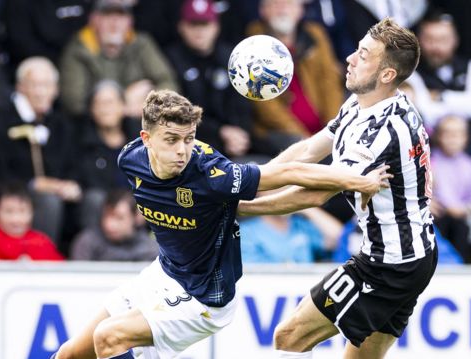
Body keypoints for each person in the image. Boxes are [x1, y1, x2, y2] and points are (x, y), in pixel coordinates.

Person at [51, 89, 389, 359]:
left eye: (189, 138)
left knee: (108, 336)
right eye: (172, 139)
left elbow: (286, 173)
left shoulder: (212, 174)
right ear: (146, 138)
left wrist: (356, 180)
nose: (183, 150)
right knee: (70, 353)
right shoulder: (129, 158)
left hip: (204, 299)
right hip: (162, 274)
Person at [239, 18, 438, 359]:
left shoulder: (382, 132)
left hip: (390, 264)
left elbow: (316, 192)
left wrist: (241, 207)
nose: (349, 58)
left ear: (387, 75)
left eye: (363, 54)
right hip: (408, 256)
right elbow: (308, 150)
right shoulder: (365, 103)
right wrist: (251, 182)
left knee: (288, 338)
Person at [0, 56, 81, 244]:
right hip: (14, 195)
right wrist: (32, 184)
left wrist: (71, 185)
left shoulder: (61, 124)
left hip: (58, 197)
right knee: (48, 202)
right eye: (35, 85)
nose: (41, 92)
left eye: (47, 85)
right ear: (20, 87)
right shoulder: (3, 119)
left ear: (56, 90)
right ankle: (42, 262)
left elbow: (72, 165)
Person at [247, 0, 344, 156]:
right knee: (300, 148)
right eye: (275, 4)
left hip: (323, 127)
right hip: (283, 133)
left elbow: (330, 82)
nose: (283, 9)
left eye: (289, 4)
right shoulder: (253, 42)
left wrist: (332, 128)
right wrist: (307, 139)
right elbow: (265, 106)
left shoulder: (315, 34)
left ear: (301, 10)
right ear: (263, 10)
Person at [59, 0, 178, 118]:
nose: (114, 22)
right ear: (93, 20)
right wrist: (125, 100)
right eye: (107, 15)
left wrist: (147, 106)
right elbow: (74, 102)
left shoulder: (142, 44)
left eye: (121, 16)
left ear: (130, 21)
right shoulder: (79, 48)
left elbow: (168, 83)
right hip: (92, 127)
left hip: (139, 121)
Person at [165, 0, 253, 159]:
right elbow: (179, 110)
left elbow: (243, 101)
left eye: (204, 24)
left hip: (238, 138)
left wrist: (239, 132)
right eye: (193, 24)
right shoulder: (170, 59)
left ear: (216, 27)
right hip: (193, 140)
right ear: (181, 27)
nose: (199, 30)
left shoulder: (230, 57)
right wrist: (220, 131)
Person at [414, 10, 471, 157]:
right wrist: (466, 102)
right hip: (432, 153)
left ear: (455, 40)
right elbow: (426, 112)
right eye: (429, 39)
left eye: (443, 39)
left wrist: (441, 97)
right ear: (419, 40)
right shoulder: (412, 72)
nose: (436, 47)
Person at [430, 115, 471, 263]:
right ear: (439, 136)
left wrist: (465, 209)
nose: (453, 138)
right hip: (440, 215)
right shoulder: (430, 161)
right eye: (448, 133)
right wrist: (448, 206)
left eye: (458, 134)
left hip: (463, 214)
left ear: (466, 138)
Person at [77, 80, 139, 229]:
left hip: (136, 212)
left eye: (110, 102)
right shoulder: (82, 142)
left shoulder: (140, 140)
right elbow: (84, 183)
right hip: (101, 211)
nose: (105, 109)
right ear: (92, 110)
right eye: (99, 104)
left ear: (124, 107)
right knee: (94, 198)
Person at [71, 189, 158, 261]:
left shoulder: (151, 249)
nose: (109, 225)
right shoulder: (87, 242)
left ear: (137, 217)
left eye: (119, 218)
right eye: (106, 216)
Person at [0, 182, 64, 260]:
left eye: (22, 211)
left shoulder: (42, 242)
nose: (16, 219)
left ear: (32, 213)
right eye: (9, 211)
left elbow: (59, 268)